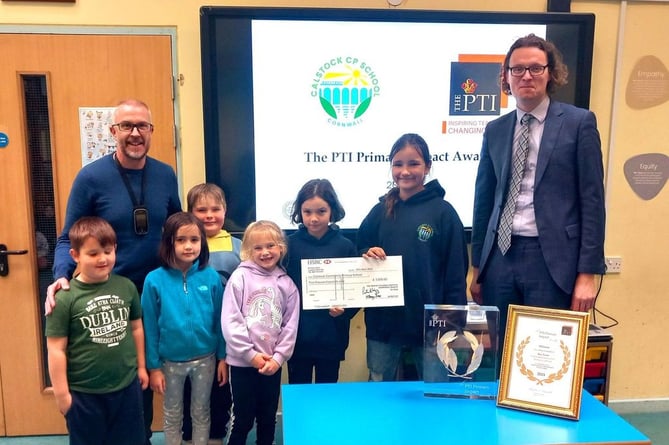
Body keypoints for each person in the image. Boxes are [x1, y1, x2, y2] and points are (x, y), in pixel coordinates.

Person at [46, 98, 182, 444]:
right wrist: (61, 276)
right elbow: (66, 238)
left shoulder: (166, 174)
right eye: (127, 126)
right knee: (104, 383)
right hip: (106, 294)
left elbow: (177, 229)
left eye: (142, 126)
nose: (135, 133)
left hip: (152, 294)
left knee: (144, 380)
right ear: (113, 131)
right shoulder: (91, 177)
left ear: (151, 131)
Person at [469, 34, 606, 354]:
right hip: (500, 259)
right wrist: (478, 267)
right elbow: (483, 201)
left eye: (535, 68)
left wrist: (588, 275)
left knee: (544, 353)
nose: (526, 76)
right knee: (500, 353)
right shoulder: (496, 130)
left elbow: (593, 202)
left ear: (550, 73)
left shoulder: (578, 123)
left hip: (552, 260)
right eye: (517, 70)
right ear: (506, 76)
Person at [357, 133, 469, 382]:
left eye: (414, 163)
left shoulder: (444, 213)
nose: (405, 171)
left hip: (431, 325)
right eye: (398, 164)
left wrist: (453, 323)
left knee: (437, 391)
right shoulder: (380, 211)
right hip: (383, 323)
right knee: (379, 388)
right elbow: (360, 247)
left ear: (428, 166)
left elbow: (455, 272)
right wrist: (366, 252)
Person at [45, 216, 148, 445]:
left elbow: (136, 328)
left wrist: (141, 367)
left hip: (126, 388)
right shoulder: (64, 299)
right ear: (75, 255)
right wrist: (62, 395)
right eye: (93, 254)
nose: (102, 259)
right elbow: (55, 350)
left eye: (108, 251)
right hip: (84, 395)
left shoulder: (126, 287)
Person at [141, 212, 226, 445]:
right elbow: (149, 326)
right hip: (170, 362)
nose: (188, 246)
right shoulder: (154, 280)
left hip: (206, 359)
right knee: (172, 414)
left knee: (201, 412)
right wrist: (154, 367)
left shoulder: (210, 277)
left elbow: (220, 320)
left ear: (202, 242)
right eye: (180, 240)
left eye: (194, 240)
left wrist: (222, 357)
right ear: (169, 241)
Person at [221, 220, 299, 445]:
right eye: (258, 248)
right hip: (243, 364)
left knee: (268, 419)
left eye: (271, 246)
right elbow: (231, 320)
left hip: (272, 365)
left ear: (281, 247)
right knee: (243, 419)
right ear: (247, 250)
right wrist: (250, 355)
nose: (265, 252)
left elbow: (290, 325)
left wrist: (278, 358)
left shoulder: (287, 284)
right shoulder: (240, 278)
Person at [181, 183, 241, 443]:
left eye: (215, 209)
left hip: (227, 338)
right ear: (189, 212)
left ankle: (217, 436)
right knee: (187, 395)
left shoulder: (240, 248)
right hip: (190, 340)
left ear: (225, 211)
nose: (209, 215)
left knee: (221, 394)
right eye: (201, 209)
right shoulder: (182, 248)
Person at [285, 179, 358, 384]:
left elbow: (356, 290)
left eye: (321, 211)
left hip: (331, 337)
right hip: (298, 336)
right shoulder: (288, 246)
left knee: (327, 394)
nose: (314, 219)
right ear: (300, 212)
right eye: (307, 212)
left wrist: (345, 310)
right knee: (300, 393)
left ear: (332, 211)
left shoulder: (346, 247)